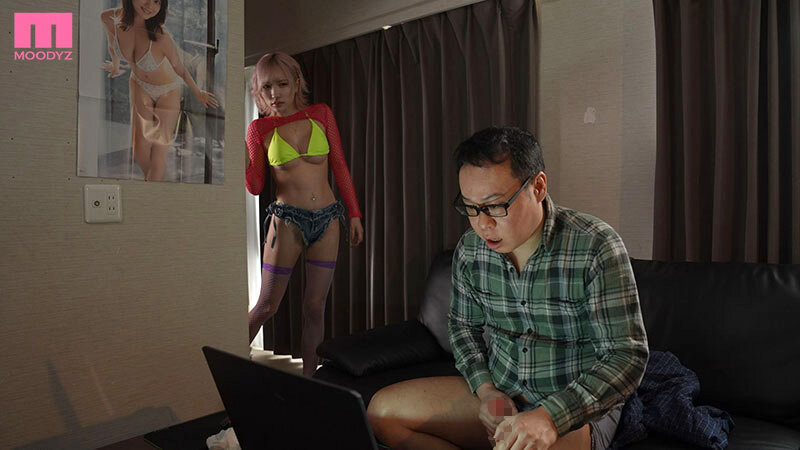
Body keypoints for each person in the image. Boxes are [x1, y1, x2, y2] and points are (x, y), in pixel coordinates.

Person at [367, 126, 649, 450]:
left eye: (495, 206)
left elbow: (626, 356)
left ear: (538, 187)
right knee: (382, 413)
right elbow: (462, 327)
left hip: (572, 408)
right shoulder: (471, 250)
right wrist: (486, 390)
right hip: (501, 394)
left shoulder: (596, 246)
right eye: (471, 207)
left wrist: (550, 417)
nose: (483, 224)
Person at [245, 52, 365, 376]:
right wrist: (244, 159)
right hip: (287, 222)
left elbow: (339, 166)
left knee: (315, 307)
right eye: (266, 87)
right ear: (258, 90)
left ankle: (309, 382)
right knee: (266, 305)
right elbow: (256, 186)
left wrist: (354, 213)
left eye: (282, 84)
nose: (275, 94)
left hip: (328, 219)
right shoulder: (259, 129)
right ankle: (227, 364)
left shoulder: (321, 114)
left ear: (297, 82)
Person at [100, 0, 218, 181]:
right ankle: (157, 186)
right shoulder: (109, 17)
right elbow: (112, 44)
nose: (150, 5)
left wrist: (198, 92)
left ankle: (154, 190)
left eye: (157, 1)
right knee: (139, 150)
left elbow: (179, 69)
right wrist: (115, 66)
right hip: (139, 83)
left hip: (168, 89)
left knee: (158, 152)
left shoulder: (161, 37)